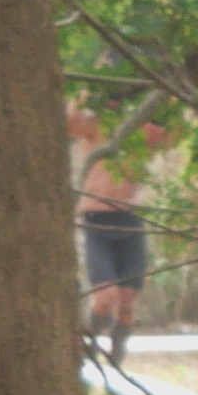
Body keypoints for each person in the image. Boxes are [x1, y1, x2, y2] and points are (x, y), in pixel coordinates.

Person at [75, 102, 151, 369]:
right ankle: (88, 346)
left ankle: (118, 354)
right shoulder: (97, 123)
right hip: (97, 220)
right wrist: (86, 95)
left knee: (127, 303)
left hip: (129, 219)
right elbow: (70, 123)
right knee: (105, 297)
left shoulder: (143, 128)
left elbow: (172, 135)